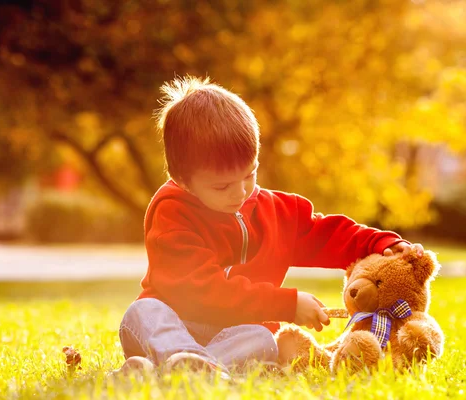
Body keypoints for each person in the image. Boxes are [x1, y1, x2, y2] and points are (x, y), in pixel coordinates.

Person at [115, 76, 424, 378]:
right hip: (175, 323)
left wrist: (380, 243)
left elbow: (326, 235)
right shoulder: (172, 212)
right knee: (143, 313)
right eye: (221, 186)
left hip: (230, 335)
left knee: (263, 339)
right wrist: (286, 304)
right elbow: (201, 291)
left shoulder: (277, 211)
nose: (240, 193)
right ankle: (184, 360)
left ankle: (177, 374)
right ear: (184, 181)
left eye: (250, 175)